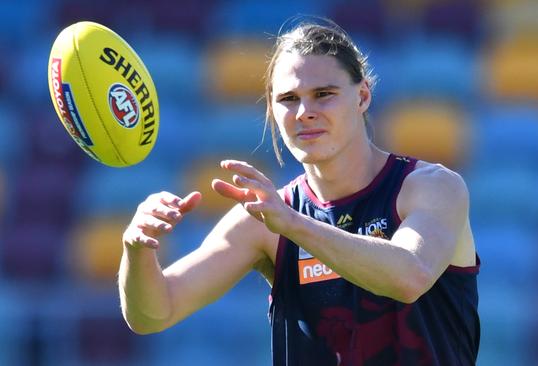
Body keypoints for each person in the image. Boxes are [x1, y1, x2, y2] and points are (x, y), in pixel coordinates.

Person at [119, 18, 480, 366]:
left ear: (363, 96)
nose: (305, 112)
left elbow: (410, 276)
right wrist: (135, 250)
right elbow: (154, 313)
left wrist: (294, 224)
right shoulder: (267, 219)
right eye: (288, 99)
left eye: (324, 94)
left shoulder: (431, 186)